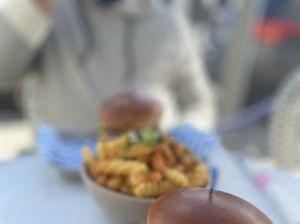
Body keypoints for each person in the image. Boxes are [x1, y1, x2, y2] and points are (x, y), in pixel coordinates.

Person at [0, 0, 215, 132]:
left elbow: (200, 102)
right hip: (57, 175)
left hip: (151, 169)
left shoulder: (169, 24)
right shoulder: (49, 8)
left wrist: (182, 137)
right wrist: (35, 7)